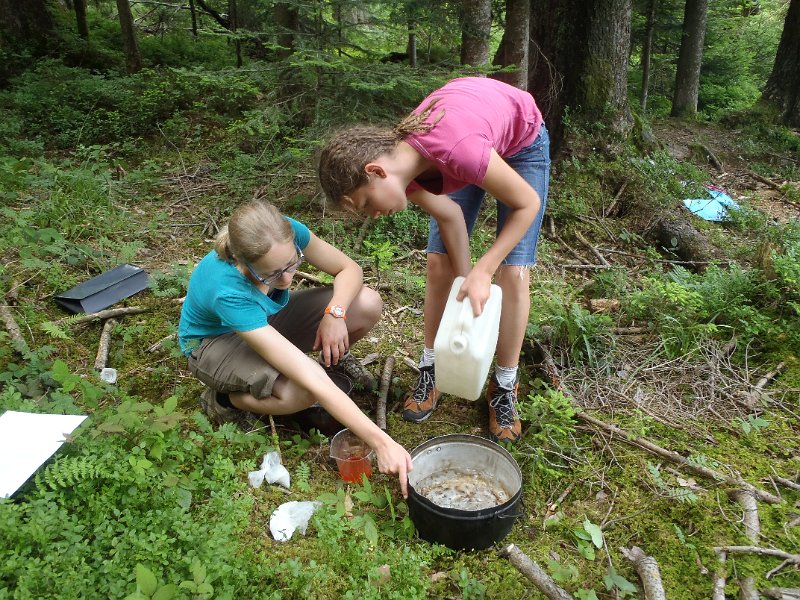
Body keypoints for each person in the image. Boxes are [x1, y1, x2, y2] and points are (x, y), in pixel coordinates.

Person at [318, 76, 550, 443]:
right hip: (472, 137)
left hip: (519, 142)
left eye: (366, 204)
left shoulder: (459, 151)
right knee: (439, 263)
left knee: (513, 272)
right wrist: (467, 285)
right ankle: (434, 366)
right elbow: (451, 217)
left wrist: (484, 269)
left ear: (376, 171)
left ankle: (505, 384)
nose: (373, 215)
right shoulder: (405, 170)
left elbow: (528, 205)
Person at [178, 199, 412, 496]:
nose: (288, 279)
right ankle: (224, 401)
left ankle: (331, 361)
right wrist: (382, 441)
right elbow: (310, 376)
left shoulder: (281, 232)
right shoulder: (227, 289)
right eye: (273, 274)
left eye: (292, 264)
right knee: (303, 390)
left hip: (261, 321)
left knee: (366, 303)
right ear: (244, 263)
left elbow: (348, 268)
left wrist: (335, 313)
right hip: (214, 345)